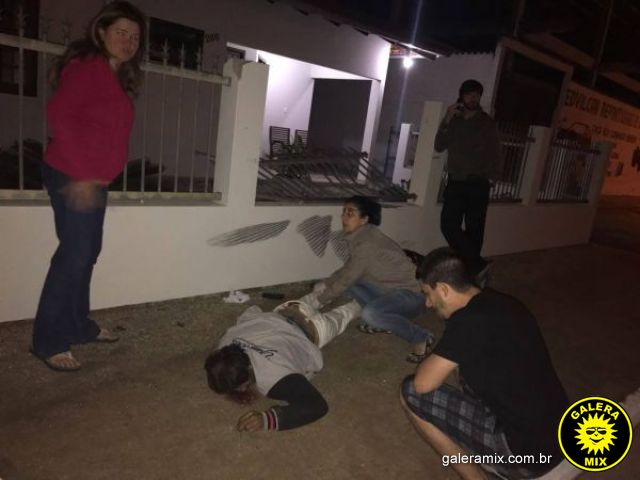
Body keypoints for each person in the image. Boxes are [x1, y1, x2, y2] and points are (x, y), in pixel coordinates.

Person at [30, 2, 146, 372]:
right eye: (121, 32)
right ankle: (48, 340)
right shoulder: (87, 67)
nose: (128, 41)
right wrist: (81, 176)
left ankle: (79, 325)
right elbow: (60, 116)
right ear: (101, 31)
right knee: (74, 255)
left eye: (135, 37)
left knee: (86, 252)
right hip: (72, 174)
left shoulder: (113, 76)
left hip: (92, 179)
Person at [400, 247, 568, 479]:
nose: (428, 304)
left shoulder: (468, 322)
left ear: (444, 289)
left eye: (428, 294)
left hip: (528, 456)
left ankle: (477, 476)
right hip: (563, 435)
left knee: (410, 392)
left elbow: (423, 384)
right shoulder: (504, 303)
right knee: (466, 369)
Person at [300, 196, 434, 363]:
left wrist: (320, 300)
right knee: (353, 286)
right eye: (343, 212)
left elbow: (347, 278)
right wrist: (326, 283)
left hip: (412, 296)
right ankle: (386, 321)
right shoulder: (363, 236)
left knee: (370, 313)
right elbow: (348, 269)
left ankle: (421, 336)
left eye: (350, 213)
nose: (343, 217)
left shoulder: (367, 243)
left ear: (364, 219)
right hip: (390, 291)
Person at [204, 300, 361, 431]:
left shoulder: (273, 379)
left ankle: (361, 301)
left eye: (240, 386)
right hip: (290, 308)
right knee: (326, 290)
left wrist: (267, 419)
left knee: (352, 309)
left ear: (249, 370)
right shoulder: (226, 342)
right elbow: (252, 310)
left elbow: (317, 406)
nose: (241, 390)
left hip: (316, 328)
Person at [434, 80, 500, 282]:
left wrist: (492, 178)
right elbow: (439, 145)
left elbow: (496, 152)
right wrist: (446, 118)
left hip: (478, 182)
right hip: (456, 181)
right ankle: (478, 265)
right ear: (461, 96)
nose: (473, 98)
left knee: (475, 229)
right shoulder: (454, 121)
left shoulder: (487, 123)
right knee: (448, 225)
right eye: (470, 94)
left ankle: (471, 273)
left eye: (477, 95)